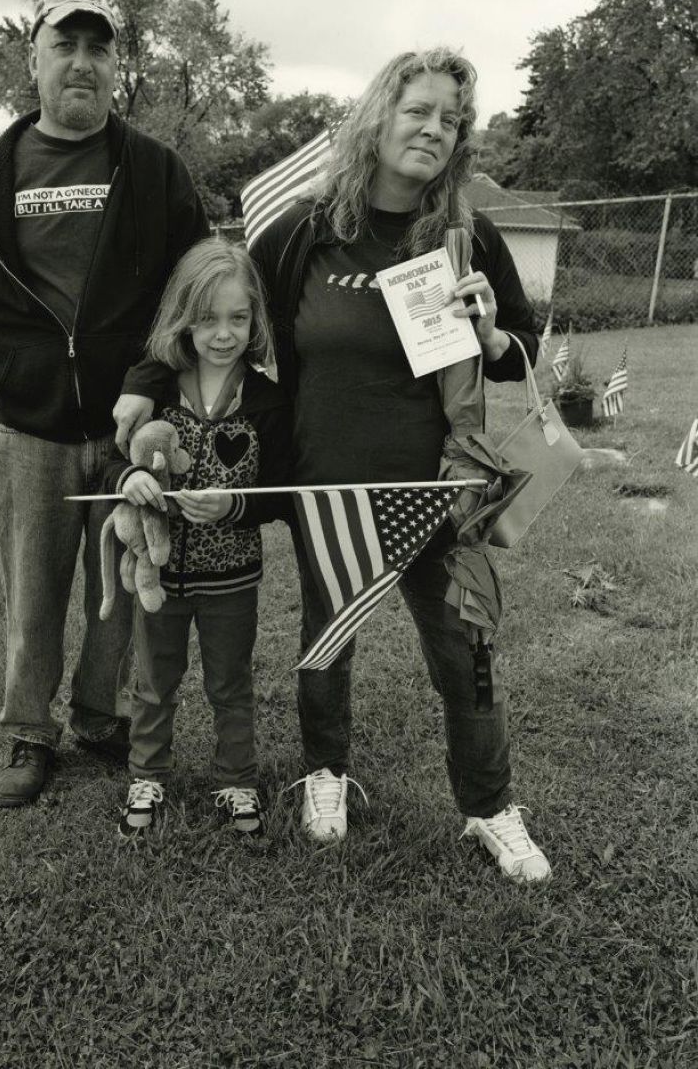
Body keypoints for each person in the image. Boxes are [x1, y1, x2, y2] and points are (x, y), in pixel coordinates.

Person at [117, 48, 551, 882]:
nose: (433, 128)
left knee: (467, 658)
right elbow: (223, 319)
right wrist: (145, 379)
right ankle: (326, 773)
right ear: (379, 116)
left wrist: (494, 333)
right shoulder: (304, 232)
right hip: (329, 491)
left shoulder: (466, 233)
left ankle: (490, 807)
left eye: (451, 119)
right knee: (327, 642)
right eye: (417, 109)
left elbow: (517, 351)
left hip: (441, 491)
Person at [0, 0, 208, 808]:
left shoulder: (156, 171)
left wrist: (147, 380)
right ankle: (27, 730)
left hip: (134, 429)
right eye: (65, 46)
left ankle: (99, 716)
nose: (82, 63)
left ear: (117, 63)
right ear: (34, 59)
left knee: (118, 586)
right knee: (33, 591)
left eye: (99, 48)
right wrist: (26, 370)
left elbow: (194, 290)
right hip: (31, 432)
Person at [104, 238, 291, 838]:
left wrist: (234, 504)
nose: (222, 334)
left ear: (256, 319)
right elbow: (111, 464)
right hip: (157, 576)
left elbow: (283, 489)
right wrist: (130, 477)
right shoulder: (157, 387)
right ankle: (147, 773)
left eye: (238, 318)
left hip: (232, 575)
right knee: (154, 681)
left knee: (229, 683)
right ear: (184, 317)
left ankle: (236, 781)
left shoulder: (266, 400)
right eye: (207, 318)